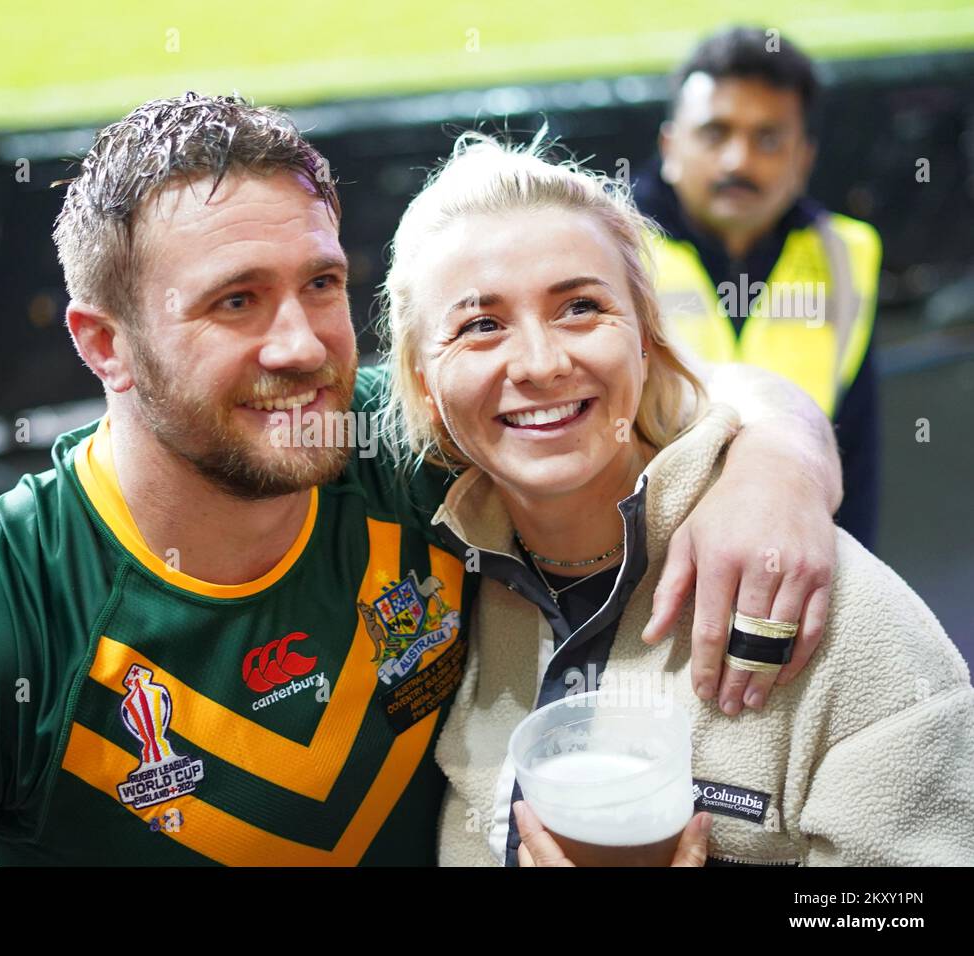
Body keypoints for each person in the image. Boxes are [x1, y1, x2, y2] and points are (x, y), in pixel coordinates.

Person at [0, 94, 845, 867]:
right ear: (104, 345)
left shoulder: (406, 440)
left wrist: (778, 461)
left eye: (320, 283)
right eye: (235, 301)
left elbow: (697, 385)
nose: (301, 344)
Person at [376, 131, 974, 866]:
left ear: (648, 340)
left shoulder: (832, 607)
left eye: (580, 308)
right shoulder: (439, 586)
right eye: (481, 326)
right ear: (425, 391)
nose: (539, 362)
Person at [635, 25, 882, 550]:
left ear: (803, 160)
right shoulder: (610, 249)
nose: (737, 161)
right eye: (715, 133)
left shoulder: (845, 253)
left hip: (794, 562)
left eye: (768, 139)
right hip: (639, 571)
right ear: (670, 146)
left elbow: (854, 446)